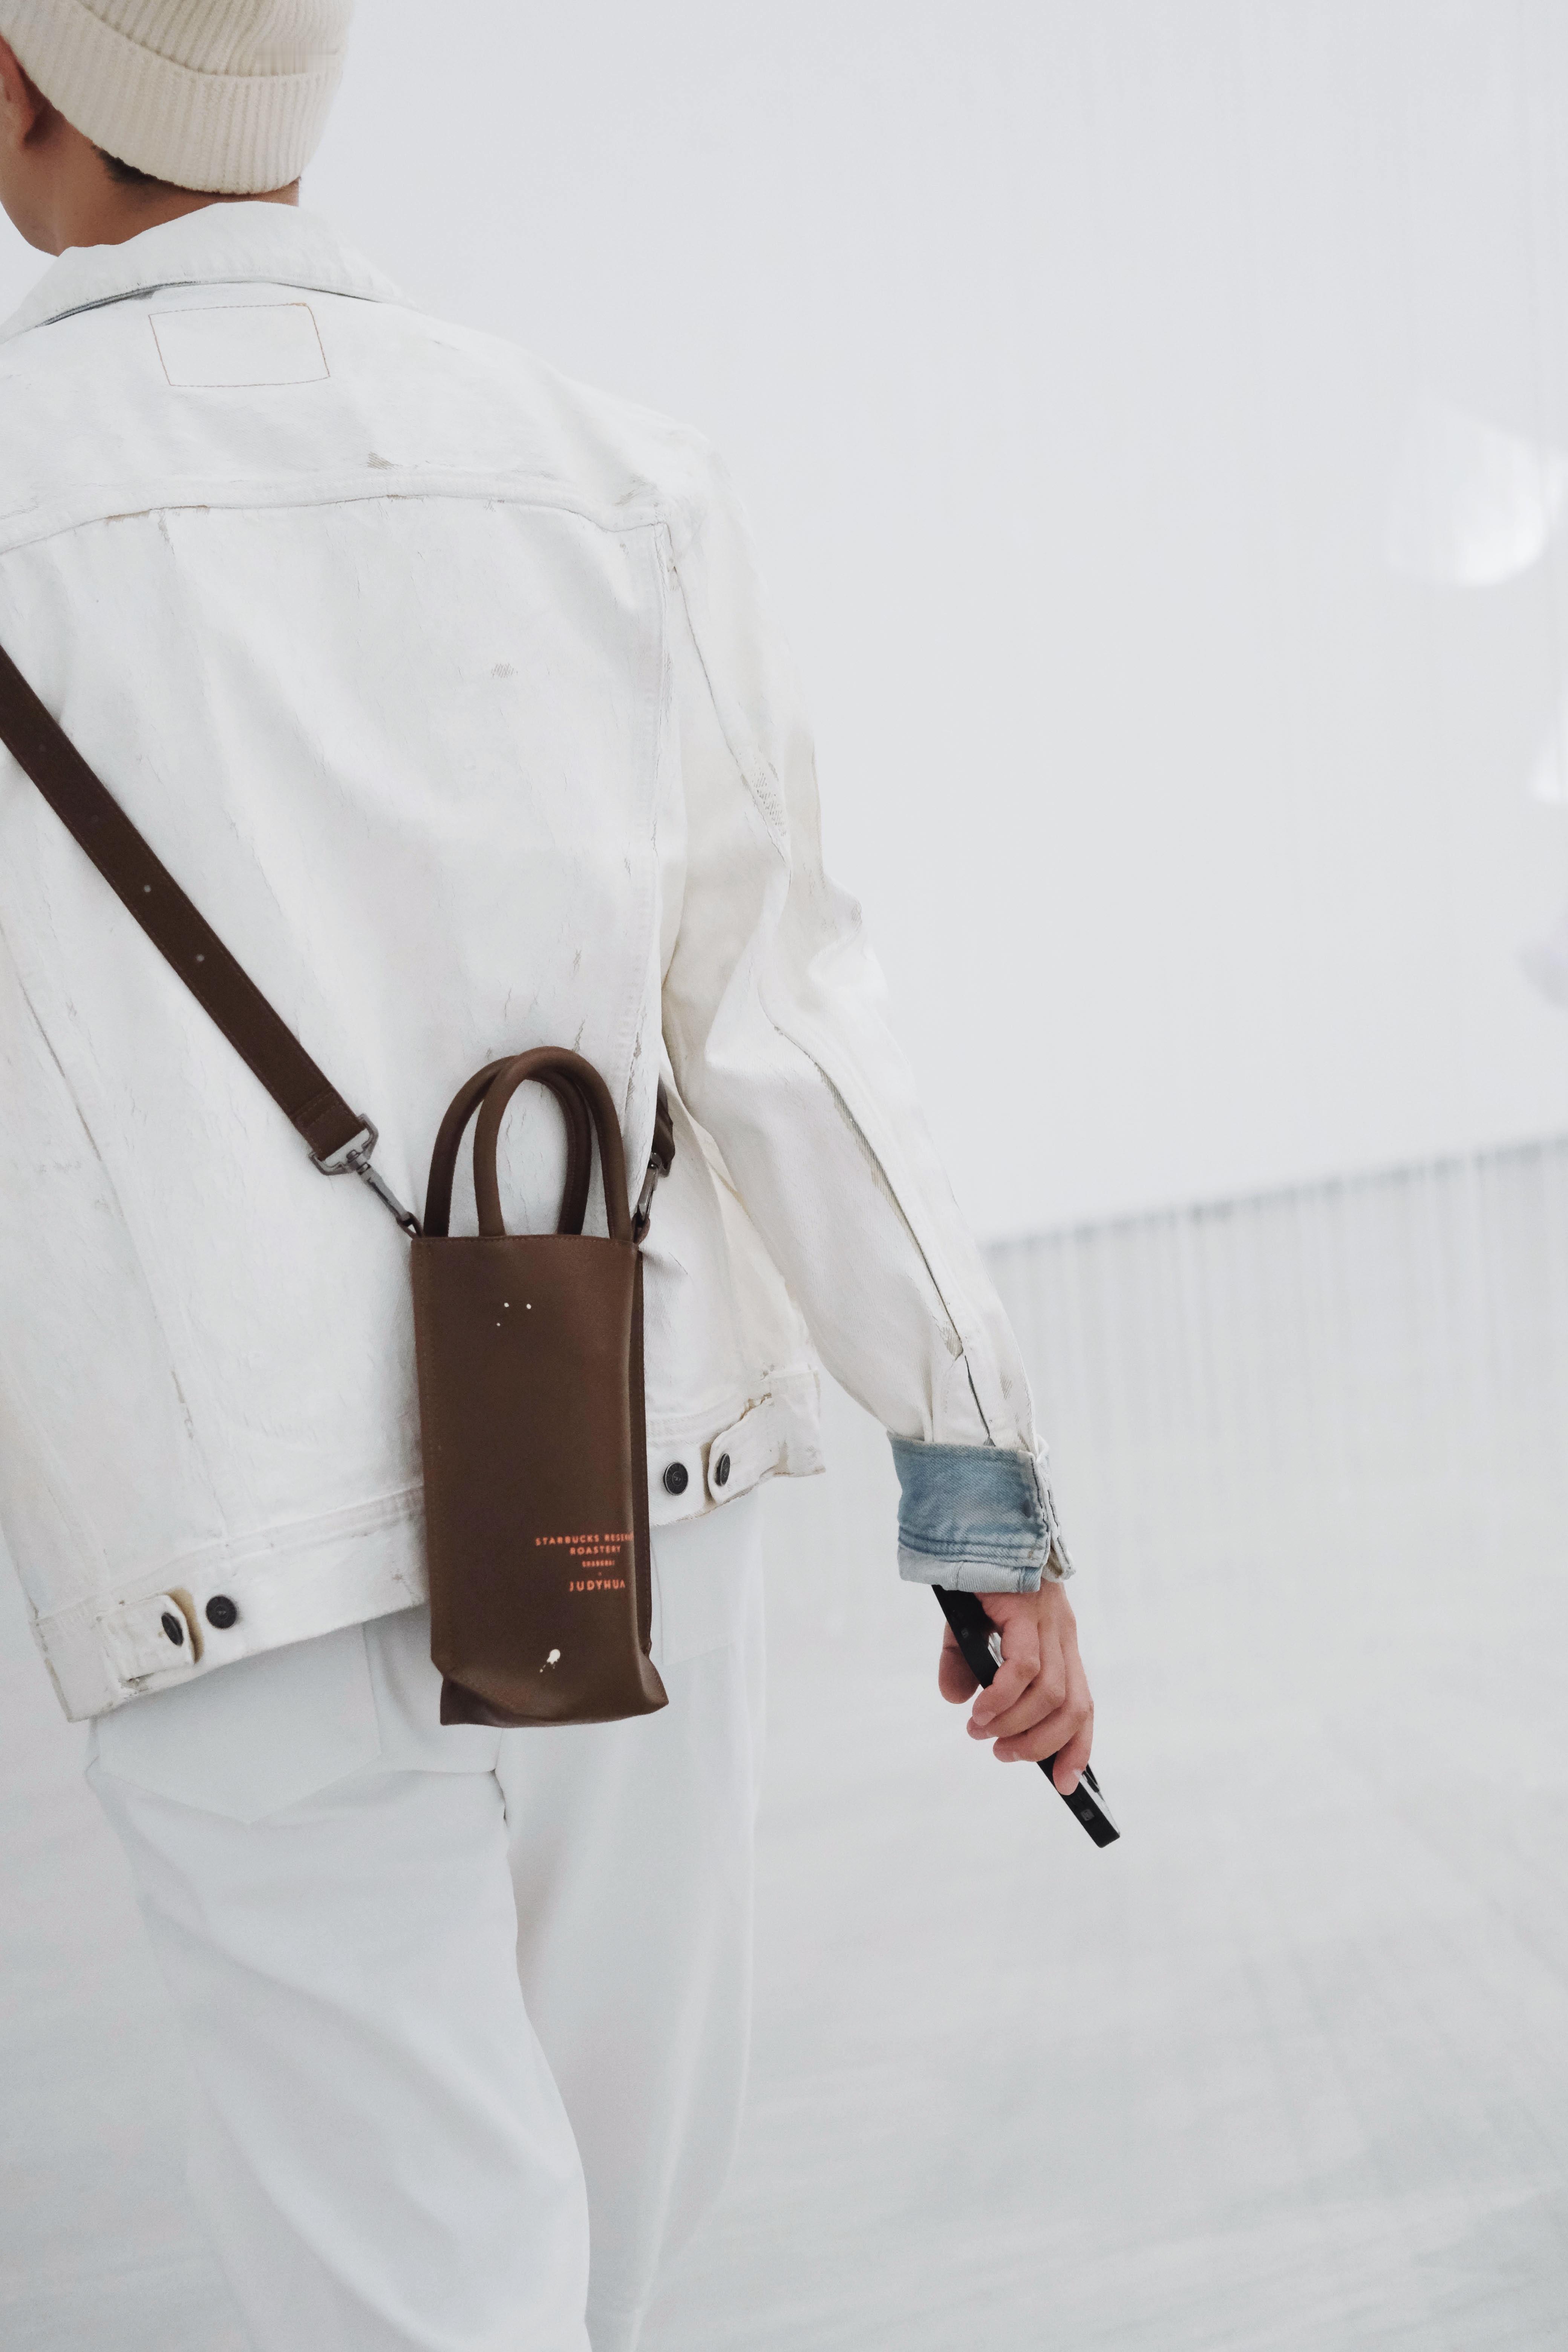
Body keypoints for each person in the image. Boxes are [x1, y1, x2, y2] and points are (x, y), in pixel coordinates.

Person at [0, 5, 1094, 2347]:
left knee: (417, 2270)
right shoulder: (609, 473)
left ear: (22, 86)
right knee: (607, 2237)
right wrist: (978, 1491)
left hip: (226, 1558)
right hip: (629, 1474)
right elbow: (792, 1030)